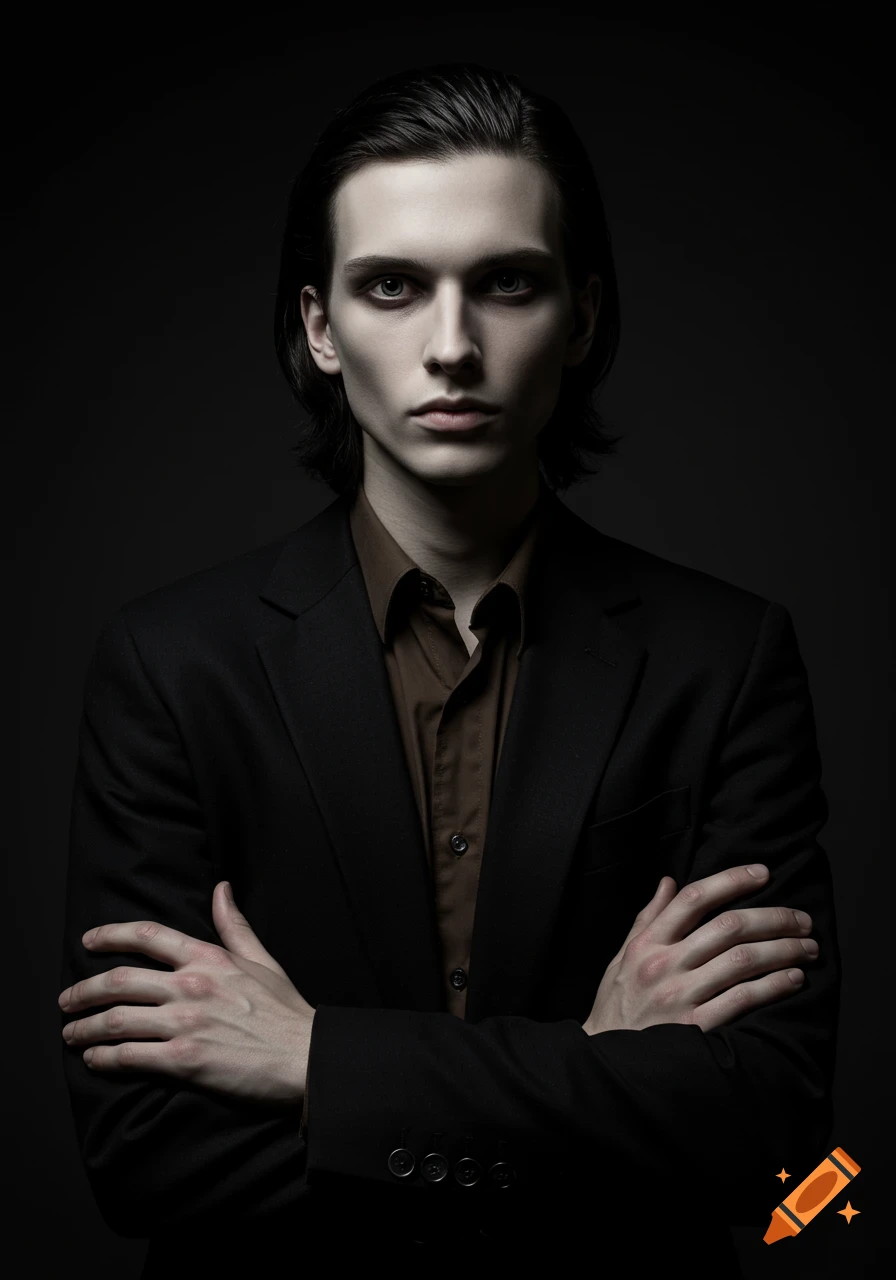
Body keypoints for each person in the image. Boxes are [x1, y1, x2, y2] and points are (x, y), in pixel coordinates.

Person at [58, 62, 840, 1277]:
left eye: (507, 284)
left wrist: (314, 1062)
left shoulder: (722, 657)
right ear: (318, 325)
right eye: (391, 286)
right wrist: (594, 1056)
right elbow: (145, 1153)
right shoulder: (170, 665)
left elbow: (778, 1146)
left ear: (580, 316)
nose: (452, 345)